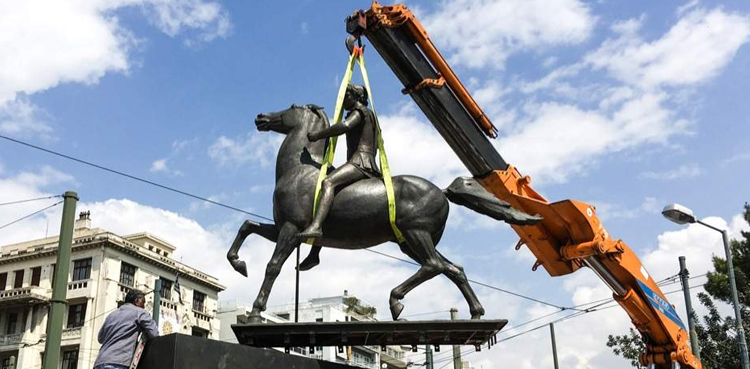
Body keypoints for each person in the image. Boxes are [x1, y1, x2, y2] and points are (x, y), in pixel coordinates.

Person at [297, 84, 381, 257]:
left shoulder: (359, 112)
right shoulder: (371, 116)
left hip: (360, 162)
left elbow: (344, 127)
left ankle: (316, 226)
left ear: (355, 97)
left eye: (346, 95)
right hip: (368, 162)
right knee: (332, 195)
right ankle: (314, 254)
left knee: (328, 182)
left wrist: (318, 135)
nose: (343, 100)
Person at [94, 289, 159, 369]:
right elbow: (154, 333)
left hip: (100, 362)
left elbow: (100, 339)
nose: (143, 306)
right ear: (137, 301)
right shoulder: (139, 312)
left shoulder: (111, 315)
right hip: (119, 363)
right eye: (143, 302)